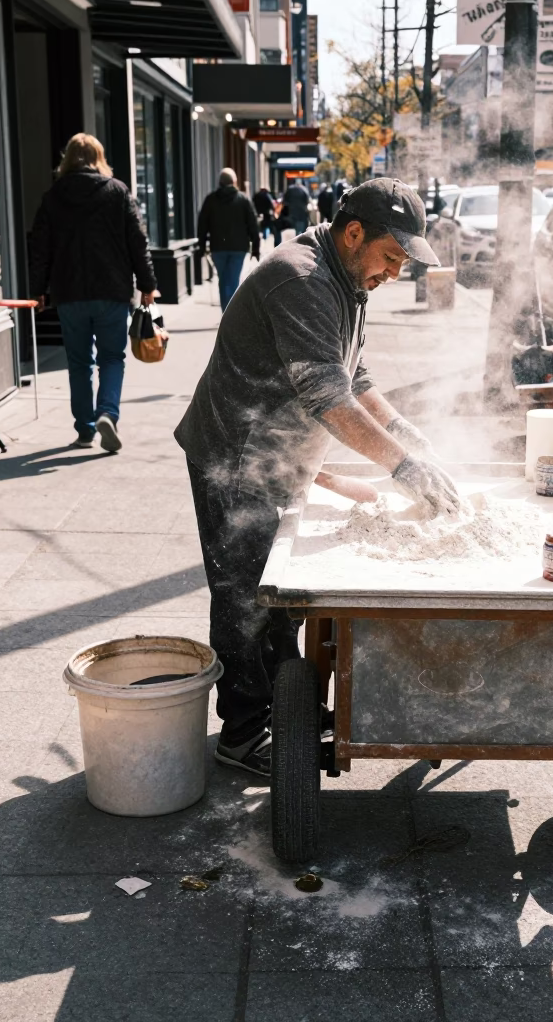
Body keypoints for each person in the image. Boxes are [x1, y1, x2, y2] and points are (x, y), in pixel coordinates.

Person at [175, 178, 457, 778]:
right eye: (391, 257)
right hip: (236, 458)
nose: (395, 273)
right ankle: (245, 732)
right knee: (247, 598)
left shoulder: (348, 277)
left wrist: (411, 436)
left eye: (403, 263)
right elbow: (327, 395)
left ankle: (288, 708)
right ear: (353, 233)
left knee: (281, 597)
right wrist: (401, 468)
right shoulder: (301, 279)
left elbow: (356, 376)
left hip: (280, 458)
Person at [29, 132, 156, 453]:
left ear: (67, 159)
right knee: (112, 357)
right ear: (99, 159)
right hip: (112, 290)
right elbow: (137, 242)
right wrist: (147, 284)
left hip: (69, 292)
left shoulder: (54, 196)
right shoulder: (117, 192)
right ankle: (108, 414)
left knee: (79, 362)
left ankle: (85, 429)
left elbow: (40, 249)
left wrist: (37, 290)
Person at [197, 169, 260, 311]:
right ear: (234, 182)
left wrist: (201, 246)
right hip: (238, 247)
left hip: (218, 247)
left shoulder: (211, 199)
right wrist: (255, 248)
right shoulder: (243, 199)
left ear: (220, 182)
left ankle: (226, 311)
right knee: (233, 280)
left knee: (223, 280)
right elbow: (253, 225)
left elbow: (202, 224)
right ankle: (230, 314)